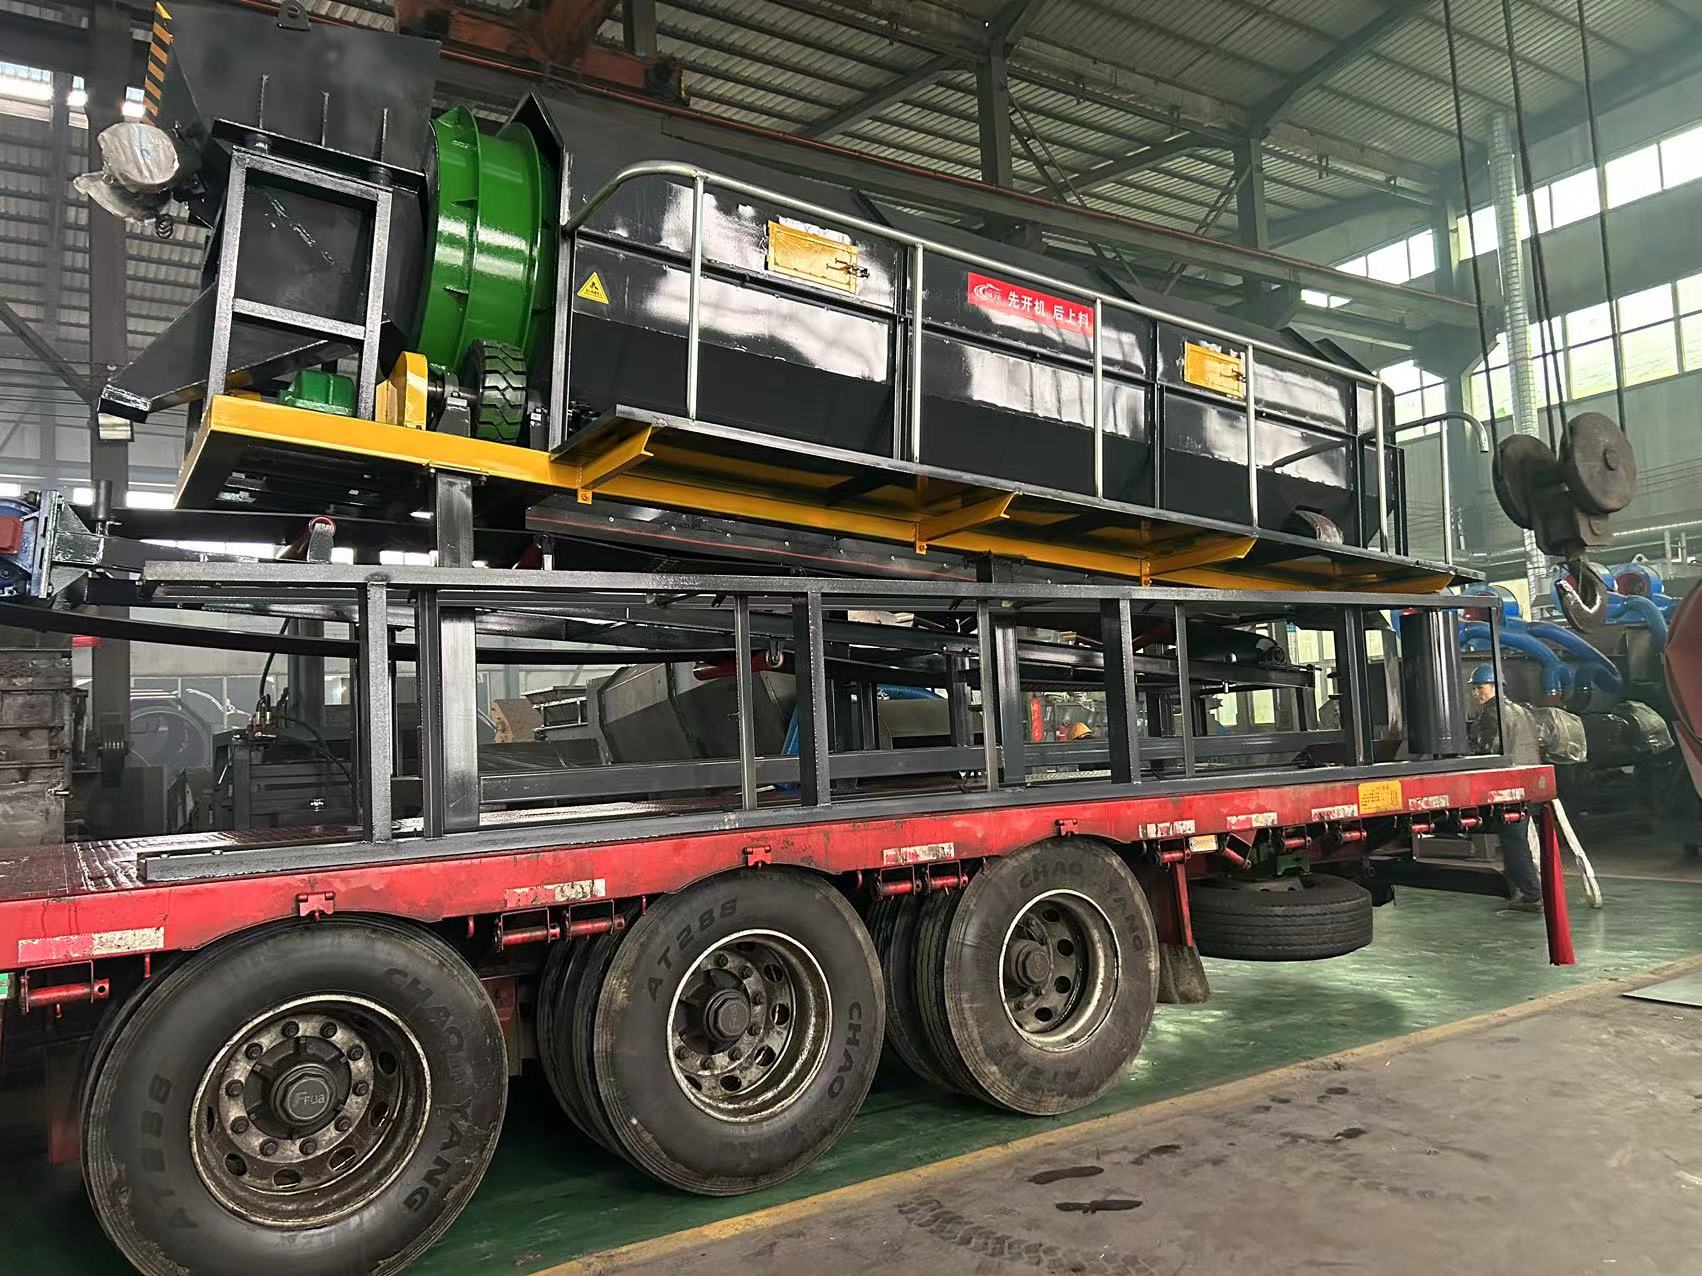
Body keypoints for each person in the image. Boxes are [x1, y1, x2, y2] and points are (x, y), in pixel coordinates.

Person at [1466, 664, 1544, 912]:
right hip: (1526, 785)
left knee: (1514, 842)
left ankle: (1532, 894)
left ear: (1494, 686)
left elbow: (1487, 752)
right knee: (1514, 839)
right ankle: (1515, 889)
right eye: (1474, 688)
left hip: (1506, 788)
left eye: (1479, 687)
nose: (1475, 693)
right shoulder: (1522, 711)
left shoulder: (1491, 714)